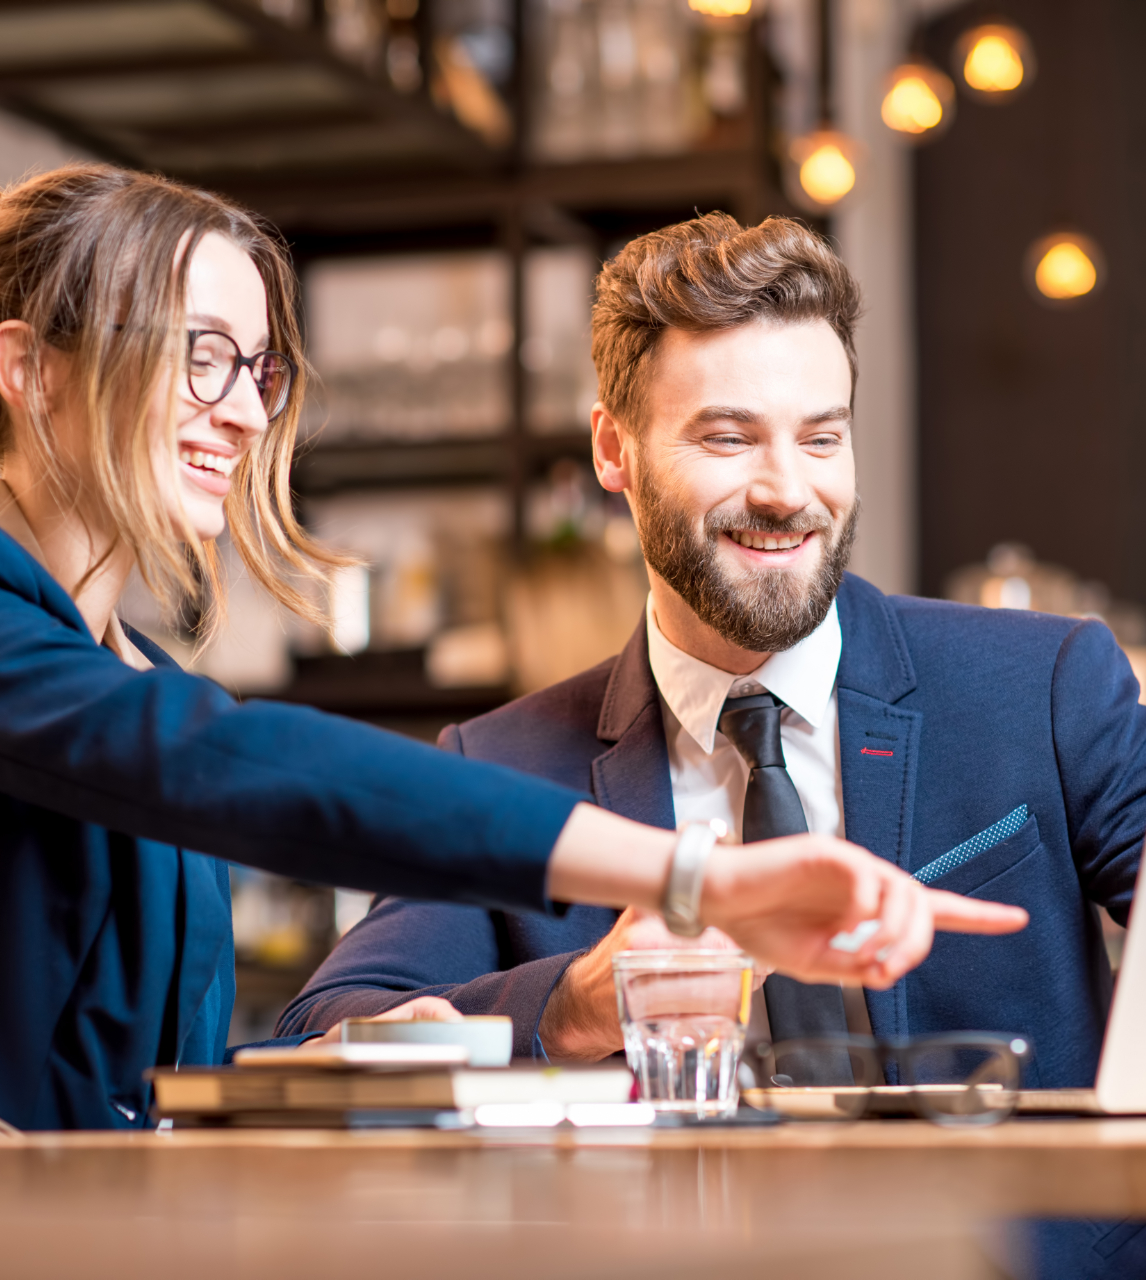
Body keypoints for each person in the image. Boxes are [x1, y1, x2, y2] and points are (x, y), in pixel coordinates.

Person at [279, 213, 1146, 1279]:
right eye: (728, 437)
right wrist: (574, 1003)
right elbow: (321, 1036)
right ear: (614, 449)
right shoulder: (499, 763)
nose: (789, 490)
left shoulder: (1043, 683)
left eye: (821, 436)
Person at [0, 168, 1025, 1132]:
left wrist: (348, 1060)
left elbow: (136, 1089)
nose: (241, 407)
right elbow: (253, 767)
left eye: (258, 366)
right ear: (27, 368)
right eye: (198, 353)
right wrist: (694, 879)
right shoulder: (72, 674)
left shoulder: (140, 670)